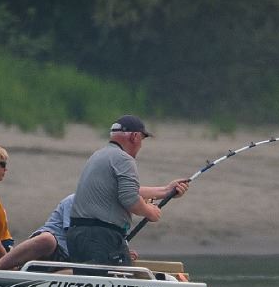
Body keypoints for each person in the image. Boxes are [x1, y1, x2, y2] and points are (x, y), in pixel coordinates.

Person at [67, 114, 189, 267]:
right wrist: (150, 212)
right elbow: (130, 199)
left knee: (84, 277)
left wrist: (166, 190)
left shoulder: (98, 156)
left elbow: (122, 191)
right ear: (134, 136)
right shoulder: (124, 159)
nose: (141, 145)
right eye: (142, 139)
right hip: (101, 236)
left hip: (76, 234)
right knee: (113, 278)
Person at [0, 194, 74, 271]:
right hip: (55, 246)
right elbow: (73, 234)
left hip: (68, 258)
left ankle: (39, 282)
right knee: (47, 240)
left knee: (74, 272)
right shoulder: (73, 201)